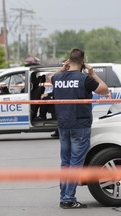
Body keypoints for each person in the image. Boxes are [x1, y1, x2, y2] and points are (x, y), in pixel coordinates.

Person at [51, 48, 109, 209]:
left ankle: (64, 197)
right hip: (80, 125)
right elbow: (105, 90)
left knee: (65, 163)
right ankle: (68, 199)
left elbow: (51, 78)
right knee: (76, 163)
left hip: (63, 125)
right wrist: (93, 73)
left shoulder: (58, 78)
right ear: (83, 61)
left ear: (69, 61)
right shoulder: (85, 78)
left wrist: (63, 68)